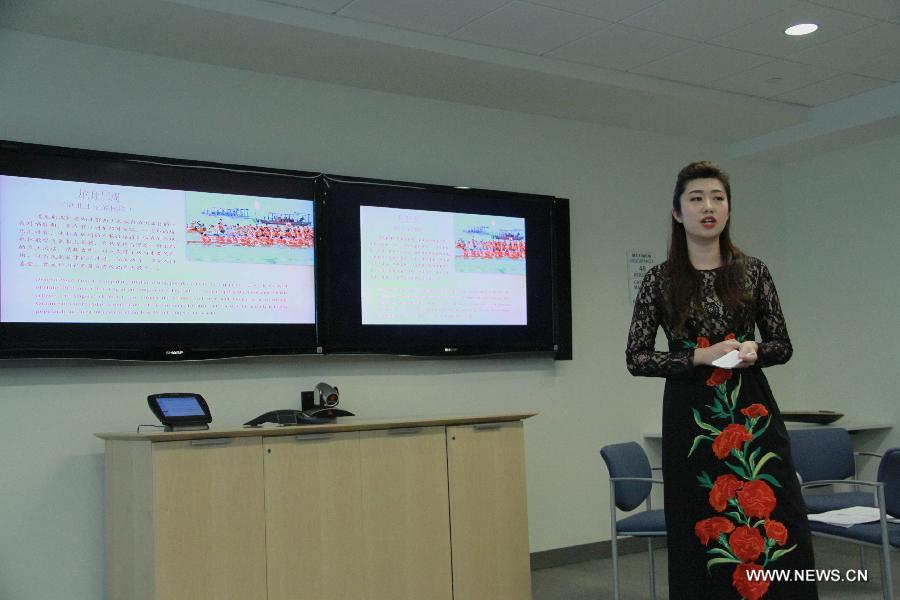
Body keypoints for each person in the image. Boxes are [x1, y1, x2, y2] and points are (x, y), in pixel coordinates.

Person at [626, 161, 818, 599]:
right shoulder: (660, 279)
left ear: (728, 208)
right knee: (700, 515)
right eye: (696, 199)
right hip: (691, 414)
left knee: (776, 509)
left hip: (751, 412)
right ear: (678, 213)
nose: (708, 207)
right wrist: (700, 355)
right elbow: (636, 357)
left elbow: (782, 345)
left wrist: (754, 350)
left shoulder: (753, 270)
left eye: (718, 198)